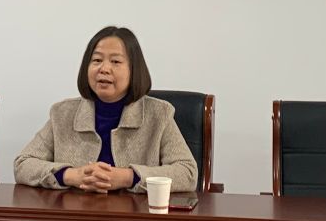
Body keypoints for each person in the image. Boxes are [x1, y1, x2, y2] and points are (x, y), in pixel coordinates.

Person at [14, 26, 197, 194]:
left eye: (115, 61)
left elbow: (187, 173)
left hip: (136, 215)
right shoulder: (62, 113)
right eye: (97, 60)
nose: (104, 69)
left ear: (134, 70)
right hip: (75, 214)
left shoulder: (159, 114)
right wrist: (72, 176)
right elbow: (23, 164)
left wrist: (128, 177)